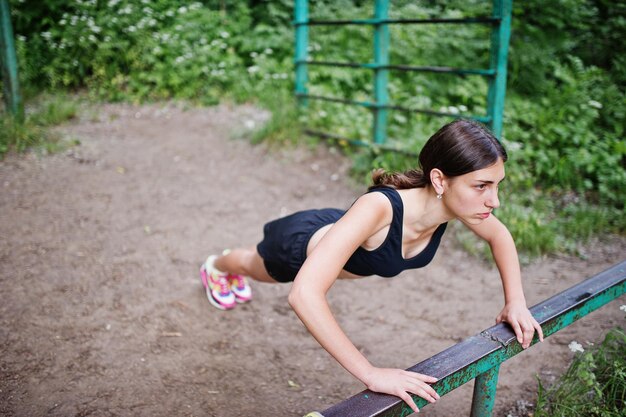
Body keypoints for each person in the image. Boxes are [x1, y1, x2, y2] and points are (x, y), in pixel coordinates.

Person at [199, 119, 544, 413]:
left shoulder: (459, 206)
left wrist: (515, 301)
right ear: (440, 180)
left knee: (253, 263)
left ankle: (226, 265)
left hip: (339, 234)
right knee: (247, 264)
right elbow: (304, 294)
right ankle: (215, 266)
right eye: (482, 186)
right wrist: (370, 373)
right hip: (296, 250)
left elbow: (500, 238)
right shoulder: (379, 207)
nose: (494, 200)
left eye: (496, 186)